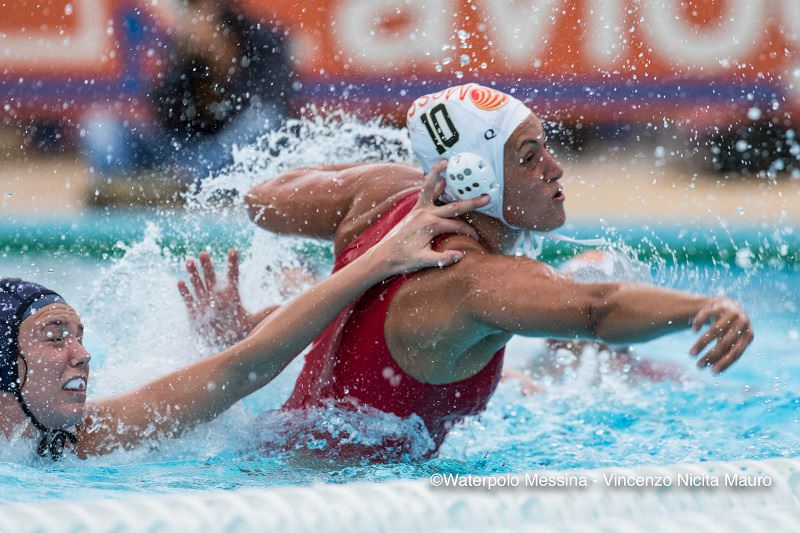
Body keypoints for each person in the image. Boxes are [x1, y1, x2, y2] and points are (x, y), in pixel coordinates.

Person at [236, 83, 754, 454]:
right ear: (470, 177)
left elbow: (261, 199)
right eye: (529, 156)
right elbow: (597, 308)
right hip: (349, 502)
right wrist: (704, 307)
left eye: (545, 148)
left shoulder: (385, 194)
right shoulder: (470, 279)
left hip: (279, 459)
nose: (555, 168)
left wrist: (418, 169)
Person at [0, 174, 488, 460]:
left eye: (80, 335)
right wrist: (382, 256)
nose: (82, 354)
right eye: (54, 336)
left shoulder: (85, 436)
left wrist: (381, 261)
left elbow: (241, 369)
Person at [81, 0, 291, 183]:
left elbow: (274, 110)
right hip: (177, 152)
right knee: (100, 124)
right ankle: (124, 186)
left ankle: (189, 182)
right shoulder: (184, 43)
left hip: (228, 153)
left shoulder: (264, 41)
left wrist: (225, 67)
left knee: (264, 123)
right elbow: (163, 114)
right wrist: (189, 63)